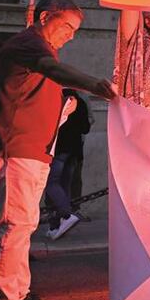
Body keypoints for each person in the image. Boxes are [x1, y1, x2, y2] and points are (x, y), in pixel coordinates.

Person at [0, 0, 115, 300]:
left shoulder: (37, 49)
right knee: (14, 227)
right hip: (15, 151)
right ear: (44, 17)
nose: (71, 35)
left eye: (75, 30)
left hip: (31, 153)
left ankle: (19, 294)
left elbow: (48, 79)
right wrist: (94, 84)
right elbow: (54, 71)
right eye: (67, 26)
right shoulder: (29, 43)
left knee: (23, 226)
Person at [44, 89, 91, 241]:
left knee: (51, 184)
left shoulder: (56, 101)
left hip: (58, 150)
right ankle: (60, 226)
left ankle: (64, 217)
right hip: (74, 151)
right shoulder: (81, 102)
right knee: (65, 186)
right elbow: (86, 128)